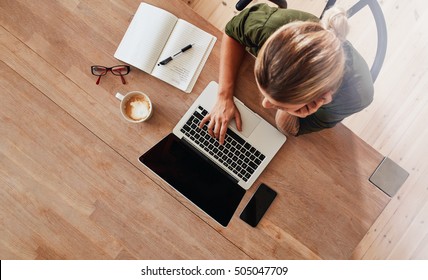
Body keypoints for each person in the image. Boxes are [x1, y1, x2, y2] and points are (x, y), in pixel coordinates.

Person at [199, 3, 374, 144]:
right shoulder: (270, 27)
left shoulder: (355, 97)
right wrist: (223, 96)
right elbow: (233, 31)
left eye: (280, 105)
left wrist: (292, 114)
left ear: (320, 98)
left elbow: (287, 128)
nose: (265, 104)